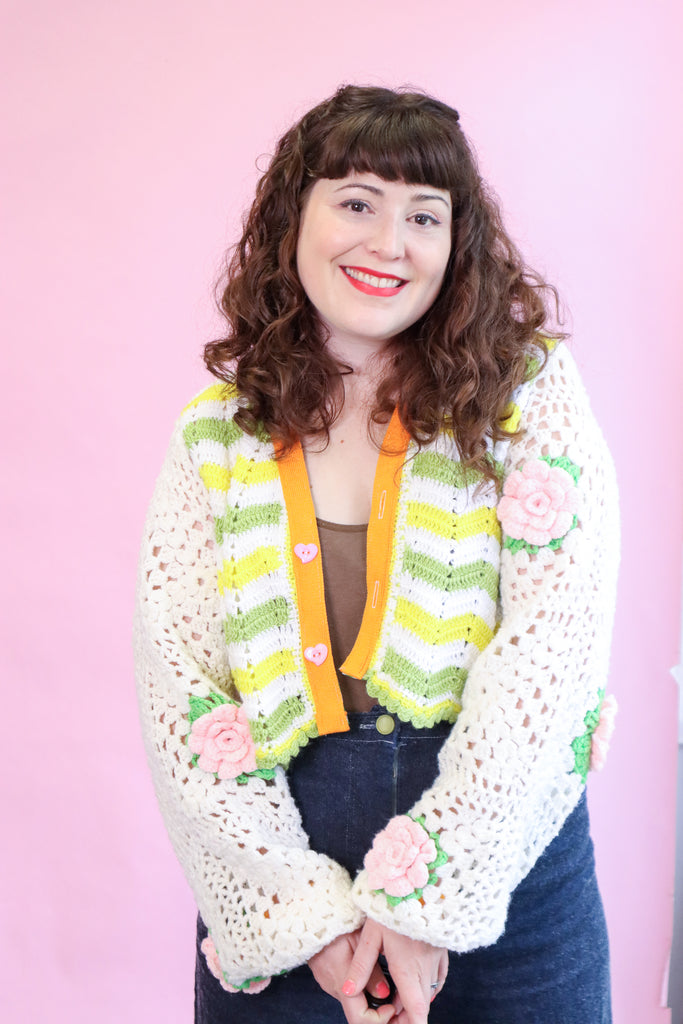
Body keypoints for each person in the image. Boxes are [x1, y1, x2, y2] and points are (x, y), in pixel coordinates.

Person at [134, 84, 619, 1024]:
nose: (389, 243)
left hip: (506, 857)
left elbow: (553, 653)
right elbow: (178, 684)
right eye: (357, 202)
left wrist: (428, 904)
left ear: (456, 244)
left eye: (423, 215)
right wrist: (307, 921)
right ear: (293, 216)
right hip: (280, 865)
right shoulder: (216, 432)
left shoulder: (527, 396)